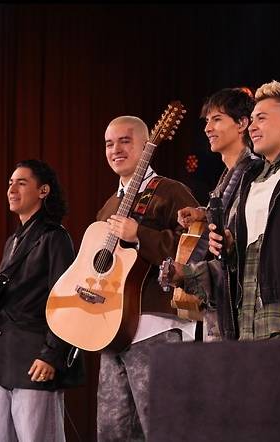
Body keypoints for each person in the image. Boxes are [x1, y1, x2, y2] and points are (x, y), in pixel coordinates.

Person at [186, 80, 280, 341]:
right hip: (246, 316)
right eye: (252, 119)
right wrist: (230, 246)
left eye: (261, 118)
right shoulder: (250, 178)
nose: (252, 126)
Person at [96, 115, 199, 440]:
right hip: (113, 330)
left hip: (156, 324)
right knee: (112, 431)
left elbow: (195, 249)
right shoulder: (109, 206)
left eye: (125, 141)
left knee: (160, 425)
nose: (115, 149)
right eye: (109, 144)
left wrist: (140, 234)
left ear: (147, 145)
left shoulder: (171, 191)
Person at [0, 159, 84, 442]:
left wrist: (51, 355)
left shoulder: (55, 238)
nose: (12, 189)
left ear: (43, 190)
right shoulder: (12, 241)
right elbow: (19, 299)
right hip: (4, 359)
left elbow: (68, 302)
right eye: (10, 183)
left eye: (21, 183)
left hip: (36, 360)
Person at [175, 87, 259, 341]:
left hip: (241, 300)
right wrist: (202, 213)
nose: (208, 128)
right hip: (223, 298)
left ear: (242, 123)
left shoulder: (253, 171)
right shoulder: (229, 174)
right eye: (207, 121)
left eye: (217, 119)